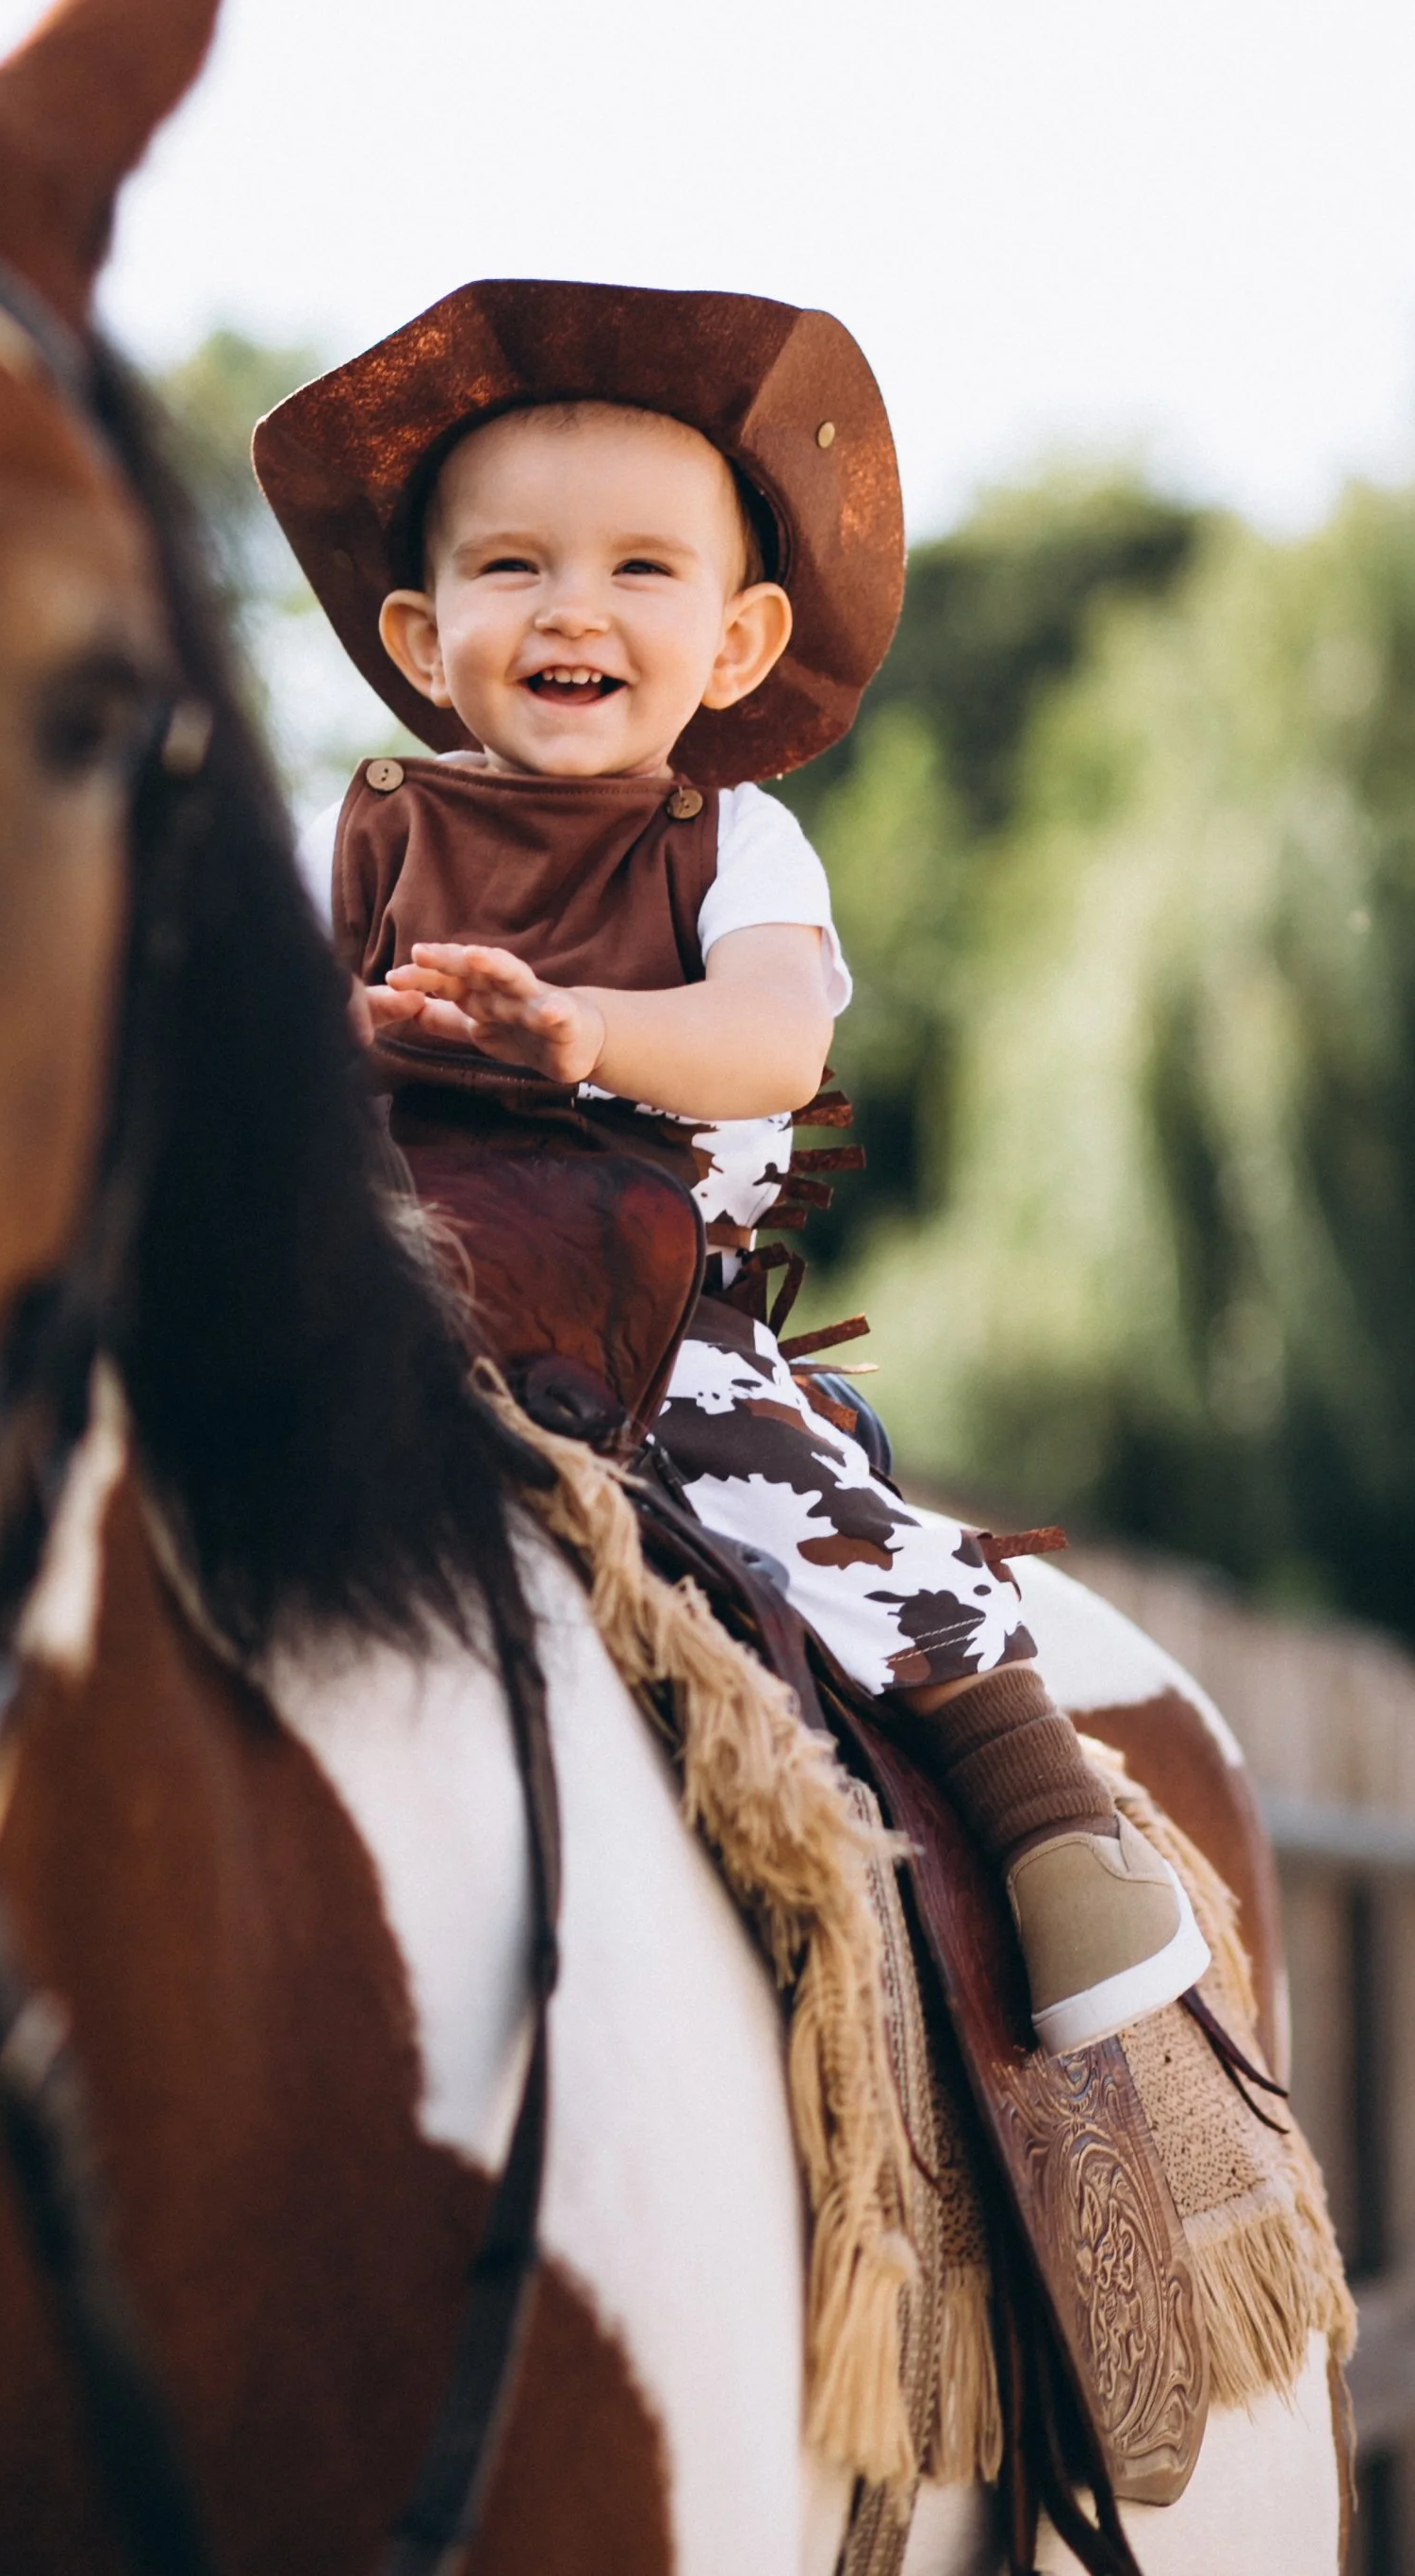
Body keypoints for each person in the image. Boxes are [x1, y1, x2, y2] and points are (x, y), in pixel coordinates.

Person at [254, 280, 1207, 2056]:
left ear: (742, 639)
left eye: (641, 570)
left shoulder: (731, 843)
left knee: (823, 1525)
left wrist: (585, 1035)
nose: (573, 610)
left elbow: (776, 1037)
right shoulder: (371, 828)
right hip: (392, 1283)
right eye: (513, 567)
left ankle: (1050, 1828)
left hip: (644, 1308)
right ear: (418, 623)